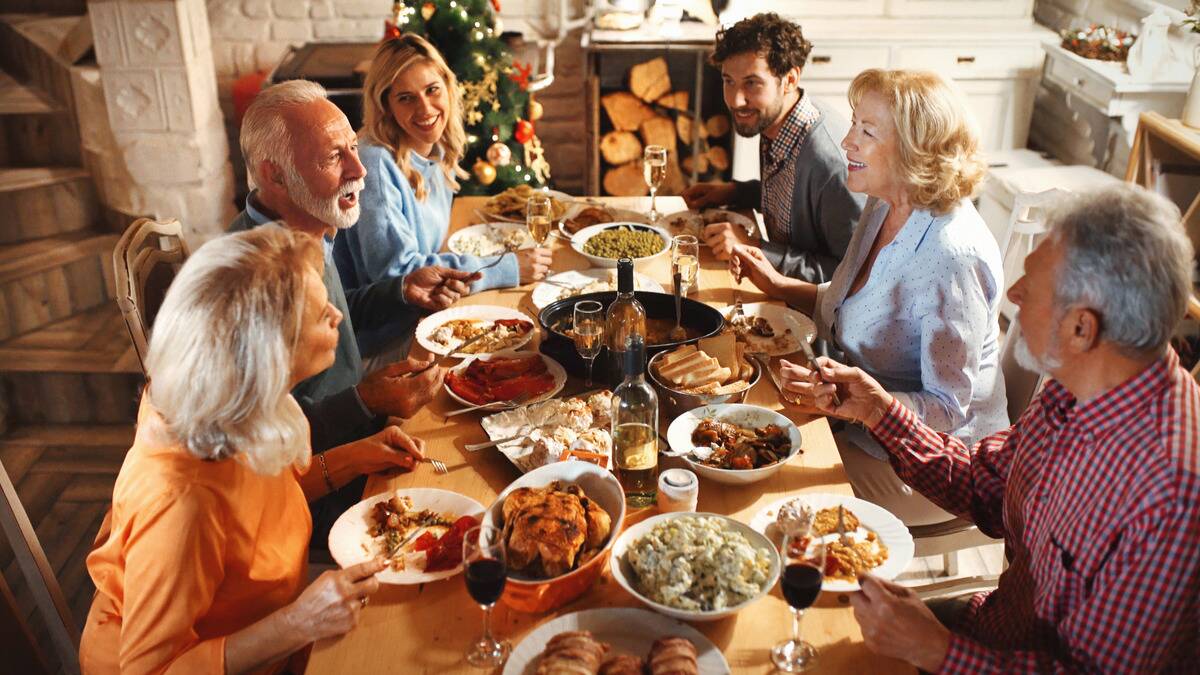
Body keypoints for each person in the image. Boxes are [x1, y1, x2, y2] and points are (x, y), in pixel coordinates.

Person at [807, 184, 1200, 672]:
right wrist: (878, 411)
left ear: (1082, 328)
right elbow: (985, 485)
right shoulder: (1077, 384)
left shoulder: (1171, 493)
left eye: (1030, 288)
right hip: (990, 628)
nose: (1012, 294)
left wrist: (936, 650)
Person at [81, 226, 425, 673]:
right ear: (270, 357)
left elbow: (265, 501)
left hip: (271, 632)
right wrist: (297, 623)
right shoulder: (183, 502)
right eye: (323, 315)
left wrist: (362, 454)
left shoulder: (232, 399)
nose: (338, 316)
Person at [735, 69, 1007, 526]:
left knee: (766, 485)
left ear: (916, 148)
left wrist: (857, 404)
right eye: (853, 124)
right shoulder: (884, 204)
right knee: (743, 433)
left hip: (933, 466)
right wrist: (781, 288)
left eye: (866, 130)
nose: (847, 141)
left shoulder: (951, 255)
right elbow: (858, 304)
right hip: (863, 425)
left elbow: (945, 408)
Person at [233, 79, 464, 454]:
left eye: (353, 148)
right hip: (325, 478)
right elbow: (258, 442)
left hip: (361, 422)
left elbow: (330, 320)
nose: (360, 170)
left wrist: (401, 291)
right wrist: (366, 402)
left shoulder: (308, 226)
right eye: (333, 157)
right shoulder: (250, 280)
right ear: (275, 175)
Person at [334, 34, 552, 306]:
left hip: (431, 306)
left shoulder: (434, 150)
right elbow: (400, 275)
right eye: (406, 98)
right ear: (386, 106)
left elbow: (427, 255)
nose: (425, 108)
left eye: (432, 90)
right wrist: (504, 268)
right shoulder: (374, 163)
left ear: (448, 88)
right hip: (389, 334)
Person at [682, 13, 863, 284]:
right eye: (728, 81)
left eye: (751, 83)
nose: (735, 100)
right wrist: (736, 191)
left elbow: (853, 276)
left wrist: (756, 248)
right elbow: (791, 201)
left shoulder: (831, 165)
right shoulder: (776, 122)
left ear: (790, 79)